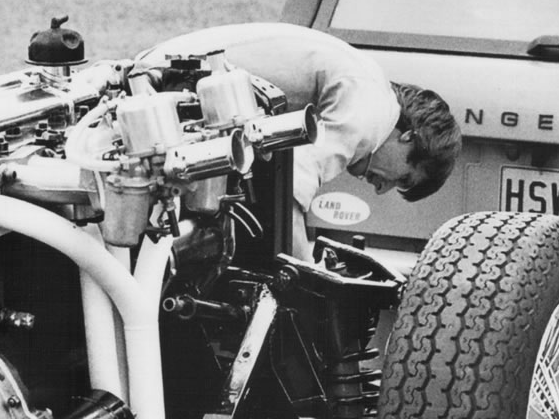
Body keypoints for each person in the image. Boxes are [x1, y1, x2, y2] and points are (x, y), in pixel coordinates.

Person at [132, 22, 461, 257]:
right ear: (408, 137)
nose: (380, 189)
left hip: (160, 73)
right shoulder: (370, 116)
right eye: (402, 178)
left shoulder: (370, 85)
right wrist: (306, 272)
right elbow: (290, 190)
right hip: (165, 83)